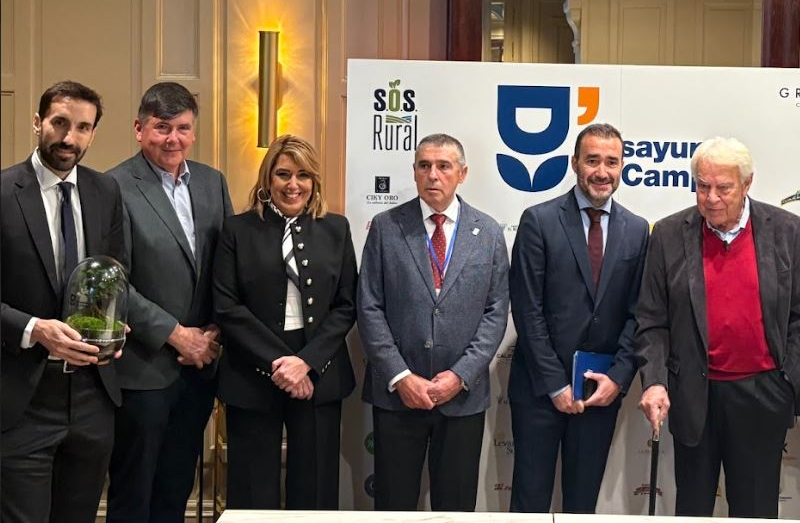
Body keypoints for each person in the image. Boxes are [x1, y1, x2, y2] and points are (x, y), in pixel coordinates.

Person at [636, 136, 800, 517]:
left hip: (762, 395)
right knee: (693, 508)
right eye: (702, 186)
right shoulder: (669, 234)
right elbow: (652, 320)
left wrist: (788, 383)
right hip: (693, 394)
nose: (711, 198)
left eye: (723, 188)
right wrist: (654, 380)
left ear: (747, 184)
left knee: (755, 510)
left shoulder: (786, 229)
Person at [358, 133, 510, 512]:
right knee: (393, 506)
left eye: (444, 166)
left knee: (455, 508)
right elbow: (369, 307)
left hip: (461, 398)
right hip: (398, 397)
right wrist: (400, 376)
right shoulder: (386, 226)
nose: (433, 175)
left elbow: (496, 311)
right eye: (424, 166)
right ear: (413, 172)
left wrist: (460, 376)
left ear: (462, 173)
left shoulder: (489, 232)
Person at [105, 82, 233, 523]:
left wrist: (215, 330)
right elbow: (113, 281)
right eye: (162, 128)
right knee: (133, 495)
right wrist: (177, 336)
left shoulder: (213, 182)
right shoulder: (112, 187)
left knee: (176, 491)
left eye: (182, 128)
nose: (172, 139)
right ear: (139, 129)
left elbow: (228, 266)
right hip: (144, 369)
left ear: (193, 132)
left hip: (200, 368)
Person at [1, 81, 126, 523]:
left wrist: (117, 326)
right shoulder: (2, 193)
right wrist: (36, 329)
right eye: (59, 123)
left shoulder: (105, 192)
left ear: (93, 133)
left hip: (94, 397)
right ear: (37, 122)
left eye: (82, 127)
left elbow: (113, 275)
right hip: (23, 399)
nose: (69, 138)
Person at [508, 123, 649, 513]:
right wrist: (555, 384)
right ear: (574, 164)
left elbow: (639, 314)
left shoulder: (637, 230)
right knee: (529, 500)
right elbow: (527, 308)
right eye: (592, 161)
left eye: (611, 162)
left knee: (582, 504)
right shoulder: (539, 220)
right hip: (540, 389)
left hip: (599, 392)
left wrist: (618, 379)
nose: (602, 171)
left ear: (621, 167)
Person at [212, 134, 357, 509]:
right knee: (252, 487)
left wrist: (306, 362)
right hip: (253, 371)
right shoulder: (237, 230)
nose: (293, 185)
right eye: (283, 174)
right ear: (267, 180)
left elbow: (346, 305)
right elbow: (227, 306)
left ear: (314, 182)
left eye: (303, 175)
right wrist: (282, 364)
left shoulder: (336, 229)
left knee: (316, 487)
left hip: (318, 371)